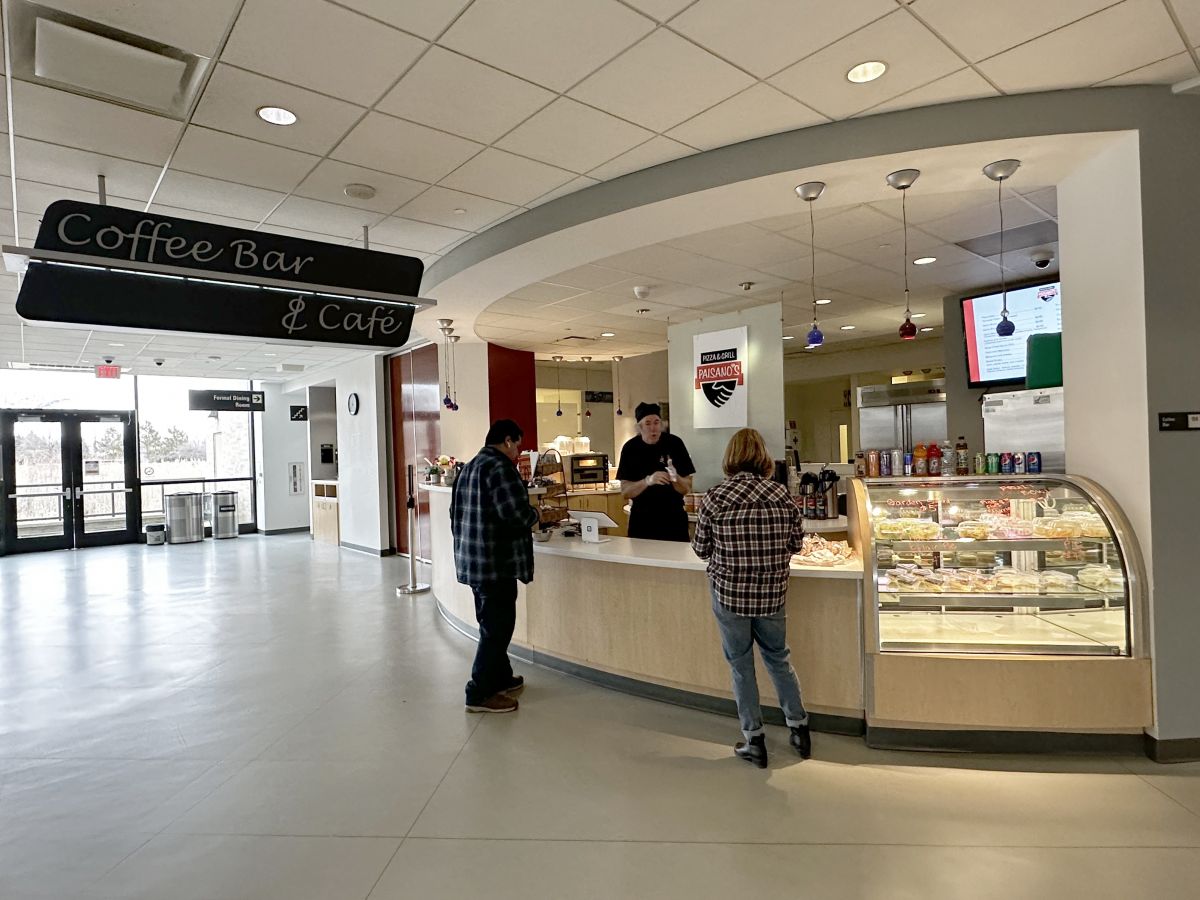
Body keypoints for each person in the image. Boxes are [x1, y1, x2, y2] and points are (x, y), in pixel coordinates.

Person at [692, 427, 811, 768]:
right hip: (772, 595)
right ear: (762, 457)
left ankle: (754, 739)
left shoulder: (715, 497)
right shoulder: (781, 495)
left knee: (741, 665)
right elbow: (796, 544)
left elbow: (701, 549)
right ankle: (799, 729)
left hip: (729, 595)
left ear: (730, 458)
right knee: (778, 658)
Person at [450, 418, 539, 714]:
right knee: (497, 627)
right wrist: (536, 514)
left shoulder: (470, 466)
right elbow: (514, 514)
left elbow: (455, 512)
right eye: (518, 446)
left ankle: (500, 676)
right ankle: (479, 691)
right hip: (496, 562)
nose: (519, 453)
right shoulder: (501, 468)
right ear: (508, 441)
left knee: (491, 622)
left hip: (474, 561)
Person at [617, 402, 695, 541]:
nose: (653, 428)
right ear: (640, 427)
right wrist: (648, 481)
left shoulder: (675, 444)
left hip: (673, 518)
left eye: (656, 422)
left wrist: (675, 477)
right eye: (648, 423)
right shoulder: (630, 449)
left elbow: (687, 488)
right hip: (642, 520)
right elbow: (626, 492)